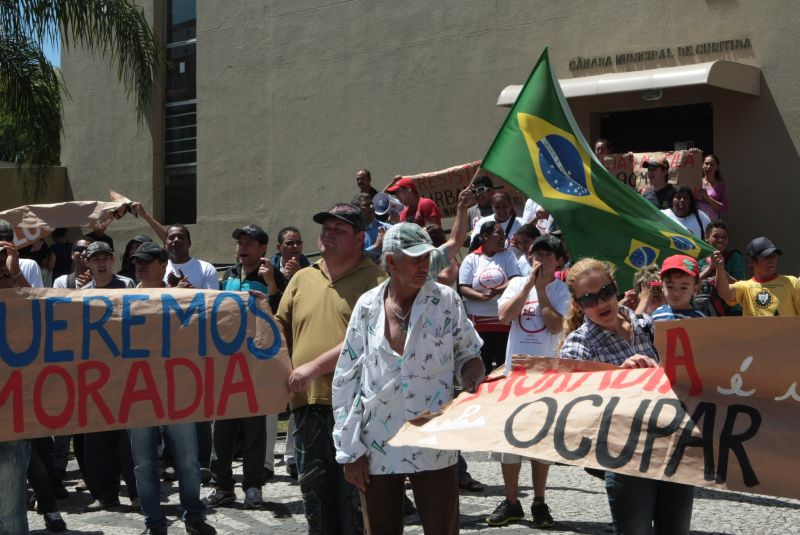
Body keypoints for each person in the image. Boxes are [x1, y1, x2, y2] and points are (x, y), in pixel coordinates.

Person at [332, 223, 485, 535]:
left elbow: (470, 353)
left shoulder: (445, 300)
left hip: (434, 440)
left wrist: (471, 373)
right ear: (391, 262)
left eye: (427, 258)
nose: (424, 265)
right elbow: (347, 378)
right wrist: (350, 450)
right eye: (415, 259)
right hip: (378, 442)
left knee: (442, 529)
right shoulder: (367, 306)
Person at [275, 203, 387, 534]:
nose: (327, 234)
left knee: (355, 499)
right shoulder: (302, 278)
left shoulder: (378, 281)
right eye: (325, 229)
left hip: (357, 408)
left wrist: (311, 367)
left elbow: (368, 340)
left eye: (338, 230)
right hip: (307, 404)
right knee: (315, 497)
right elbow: (280, 326)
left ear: (360, 237)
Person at [559, 258, 692, 535]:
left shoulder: (648, 325)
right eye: (589, 298)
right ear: (577, 303)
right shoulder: (579, 342)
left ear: (616, 288)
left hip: (671, 445)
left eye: (606, 292)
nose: (601, 303)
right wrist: (619, 375)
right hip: (626, 456)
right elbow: (572, 401)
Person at [127, 242, 216, 535]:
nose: (140, 265)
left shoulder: (183, 296)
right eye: (137, 261)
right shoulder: (122, 298)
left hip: (177, 390)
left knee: (188, 461)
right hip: (138, 393)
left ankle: (194, 516)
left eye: (147, 260)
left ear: (163, 264)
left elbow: (208, 324)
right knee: (143, 464)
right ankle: (154, 522)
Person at [488, 234, 570, 528]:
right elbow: (504, 316)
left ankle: (539, 501)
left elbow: (555, 324)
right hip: (515, 376)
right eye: (537, 254)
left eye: (548, 255)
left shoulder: (562, 290)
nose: (541, 259)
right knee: (509, 441)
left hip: (545, 377)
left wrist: (542, 290)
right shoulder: (515, 284)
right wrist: (527, 287)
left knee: (540, 443)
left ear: (559, 261)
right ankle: (511, 501)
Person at [204, 225, 276, 509]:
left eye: (249, 243)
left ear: (263, 250)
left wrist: (271, 286)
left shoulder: (272, 276)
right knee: (221, 430)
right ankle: (222, 486)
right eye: (240, 243)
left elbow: (280, 314)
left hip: (256, 366)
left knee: (254, 430)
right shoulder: (228, 277)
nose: (242, 247)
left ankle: (253, 487)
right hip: (227, 365)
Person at [78, 241, 139, 511]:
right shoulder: (81, 293)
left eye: (105, 258)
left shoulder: (127, 286)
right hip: (96, 377)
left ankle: (138, 492)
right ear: (87, 263)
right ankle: (105, 494)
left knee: (130, 439)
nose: (100, 263)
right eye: (95, 259)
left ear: (112, 261)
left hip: (127, 374)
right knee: (98, 439)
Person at [0, 232, 33, 535]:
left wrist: (14, 272)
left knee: (10, 510)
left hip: (12, 416)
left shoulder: (19, 277)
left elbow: (43, 312)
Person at [459, 220, 521, 373]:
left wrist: (498, 290)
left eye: (504, 234)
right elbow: (464, 288)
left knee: (503, 363)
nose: (503, 237)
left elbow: (515, 280)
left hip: (503, 319)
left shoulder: (508, 255)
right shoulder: (471, 259)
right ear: (485, 236)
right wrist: (480, 297)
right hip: (479, 321)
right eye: (498, 233)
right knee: (484, 363)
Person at [715, 237, 800, 316]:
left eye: (774, 255)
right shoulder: (745, 287)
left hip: (787, 332)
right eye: (766, 256)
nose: (772, 259)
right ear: (751, 261)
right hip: (754, 332)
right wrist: (720, 269)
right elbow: (725, 294)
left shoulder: (792, 282)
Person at [651, 255, 705, 321]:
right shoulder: (657, 314)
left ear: (695, 289)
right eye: (670, 287)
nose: (675, 293)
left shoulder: (699, 319)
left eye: (683, 288)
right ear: (662, 286)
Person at [0, 220, 44, 288]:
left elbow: (37, 298)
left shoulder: (28, 266)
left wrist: (17, 273)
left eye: (9, 237)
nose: (4, 242)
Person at [270, 226, 311, 292]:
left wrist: (299, 275)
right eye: (289, 243)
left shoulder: (311, 270)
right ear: (279, 247)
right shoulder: (270, 270)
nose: (295, 246)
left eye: (298, 243)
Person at [353, 193, 392, 260]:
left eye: (372, 204)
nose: (371, 207)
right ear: (357, 210)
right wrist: (376, 245)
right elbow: (353, 258)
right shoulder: (352, 234)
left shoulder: (388, 228)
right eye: (366, 205)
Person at [696, 154, 728, 221]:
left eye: (712, 164)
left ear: (717, 167)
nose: (708, 166)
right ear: (702, 165)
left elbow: (724, 208)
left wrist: (707, 198)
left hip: (712, 223)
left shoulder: (721, 186)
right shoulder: (696, 182)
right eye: (706, 164)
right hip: (696, 222)